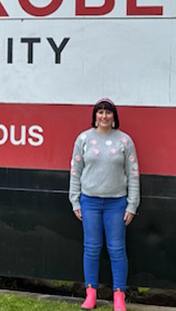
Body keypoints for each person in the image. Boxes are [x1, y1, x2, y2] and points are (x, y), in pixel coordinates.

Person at [69, 98, 140, 311]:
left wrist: (132, 205)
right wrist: (75, 199)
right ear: (95, 116)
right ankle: (91, 293)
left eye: (108, 113)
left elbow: (133, 175)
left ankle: (119, 296)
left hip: (116, 204)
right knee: (91, 248)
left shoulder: (125, 141)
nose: (104, 116)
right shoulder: (83, 139)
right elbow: (75, 171)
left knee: (117, 249)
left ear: (114, 116)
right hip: (89, 202)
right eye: (100, 112)